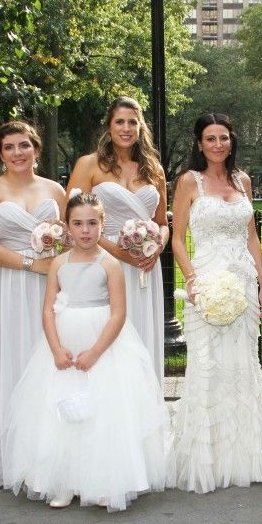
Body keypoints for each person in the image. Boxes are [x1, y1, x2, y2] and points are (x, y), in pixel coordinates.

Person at [2, 193, 168, 510]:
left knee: (103, 409)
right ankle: (63, 480)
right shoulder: (59, 263)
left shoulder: (110, 264)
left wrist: (95, 352)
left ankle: (103, 481)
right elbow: (48, 309)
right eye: (78, 224)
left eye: (92, 223)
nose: (85, 230)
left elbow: (118, 313)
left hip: (101, 342)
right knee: (60, 410)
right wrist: (56, 348)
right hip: (65, 339)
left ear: (102, 224)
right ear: (67, 227)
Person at [170, 112, 262, 494]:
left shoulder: (243, 180)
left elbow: (251, 238)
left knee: (242, 365)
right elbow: (177, 239)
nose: (218, 144)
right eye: (210, 138)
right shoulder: (188, 182)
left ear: (232, 141)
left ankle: (240, 457)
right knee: (207, 365)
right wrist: (192, 280)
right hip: (206, 283)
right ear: (199, 144)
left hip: (242, 282)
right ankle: (204, 459)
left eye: (223, 137)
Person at [0, 121, 67, 488]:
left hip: (48, 286)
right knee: (9, 362)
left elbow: (68, 238)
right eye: (9, 147)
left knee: (44, 364)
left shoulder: (54, 189)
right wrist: (32, 264)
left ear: (36, 149)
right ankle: (9, 459)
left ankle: (47, 458)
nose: (17, 153)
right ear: (1, 154)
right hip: (4, 286)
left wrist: (54, 259)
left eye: (24, 145)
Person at [67, 97, 168, 381]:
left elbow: (162, 222)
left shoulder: (154, 169)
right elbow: (72, 220)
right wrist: (118, 252)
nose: (126, 128)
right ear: (109, 126)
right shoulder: (89, 165)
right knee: (107, 334)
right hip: (101, 261)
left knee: (141, 332)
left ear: (140, 127)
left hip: (145, 266)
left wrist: (157, 245)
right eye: (120, 122)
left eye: (132, 122)